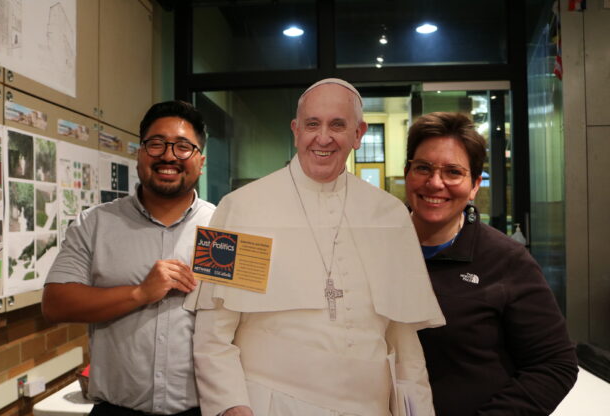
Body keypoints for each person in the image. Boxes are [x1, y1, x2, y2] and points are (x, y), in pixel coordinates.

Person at [190, 79, 445, 416]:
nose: (323, 137)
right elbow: (212, 331)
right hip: (270, 407)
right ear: (296, 130)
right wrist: (231, 406)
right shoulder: (239, 207)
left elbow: (404, 342)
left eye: (338, 125)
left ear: (358, 134)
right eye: (313, 124)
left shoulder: (391, 214)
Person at [42, 101, 215, 416]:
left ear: (200, 161)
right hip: (117, 409)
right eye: (157, 144)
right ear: (139, 154)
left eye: (183, 147)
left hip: (202, 410)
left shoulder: (225, 229)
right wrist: (140, 293)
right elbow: (55, 303)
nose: (168, 156)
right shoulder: (95, 224)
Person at [404, 112, 578, 416]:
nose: (435, 183)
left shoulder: (506, 260)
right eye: (423, 168)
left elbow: (555, 364)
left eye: (453, 172)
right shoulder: (373, 249)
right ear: (407, 173)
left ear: (474, 185)